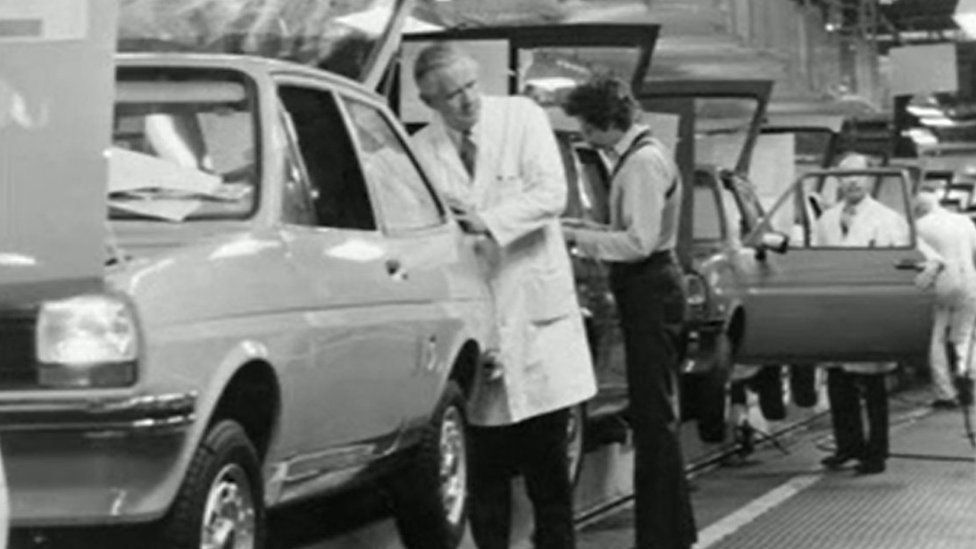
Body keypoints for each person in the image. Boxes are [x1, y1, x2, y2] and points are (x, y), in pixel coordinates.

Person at [410, 43, 597, 549]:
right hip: (478, 333)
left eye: (471, 86)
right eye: (451, 96)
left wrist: (485, 221)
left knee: (550, 480)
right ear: (430, 103)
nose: (467, 101)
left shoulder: (523, 117)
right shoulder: (422, 153)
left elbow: (550, 194)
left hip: (537, 321)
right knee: (485, 479)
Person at [561, 76, 697, 549]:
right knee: (655, 414)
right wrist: (581, 225)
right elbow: (632, 228)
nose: (582, 134)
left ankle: (661, 536)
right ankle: (671, 531)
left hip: (649, 289)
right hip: (655, 289)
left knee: (653, 417)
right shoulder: (645, 156)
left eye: (584, 125)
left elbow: (638, 242)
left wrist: (577, 239)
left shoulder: (640, 164)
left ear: (604, 122)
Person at [814, 152, 910, 475]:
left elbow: (902, 265)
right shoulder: (826, 220)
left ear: (870, 178)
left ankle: (876, 453)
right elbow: (815, 262)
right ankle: (847, 446)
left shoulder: (889, 219)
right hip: (836, 312)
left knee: (872, 386)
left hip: (870, 311)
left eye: (858, 175)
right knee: (838, 383)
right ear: (837, 180)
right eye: (845, 176)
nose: (852, 181)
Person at [914, 181, 976, 410]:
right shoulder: (965, 221)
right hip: (969, 281)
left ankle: (945, 393)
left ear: (920, 206)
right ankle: (967, 377)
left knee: (936, 338)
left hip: (940, 286)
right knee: (966, 335)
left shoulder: (920, 226)